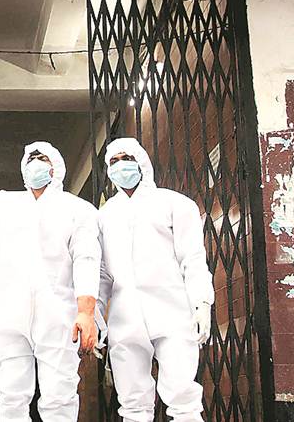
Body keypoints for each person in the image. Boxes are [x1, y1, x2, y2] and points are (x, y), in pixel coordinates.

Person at [0, 142, 100, 422]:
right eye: (31, 158)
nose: (35, 163)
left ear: (55, 166)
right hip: (11, 313)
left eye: (42, 158)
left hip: (58, 314)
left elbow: (87, 259)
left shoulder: (78, 210)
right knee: (10, 392)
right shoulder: (4, 202)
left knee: (59, 394)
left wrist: (86, 311)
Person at [97, 137, 215, 422]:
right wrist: (97, 313)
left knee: (183, 398)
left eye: (126, 158)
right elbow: (101, 273)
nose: (120, 166)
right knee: (132, 404)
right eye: (113, 161)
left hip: (172, 312)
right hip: (124, 320)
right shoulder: (103, 216)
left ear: (141, 161)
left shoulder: (174, 204)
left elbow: (193, 258)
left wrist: (201, 303)